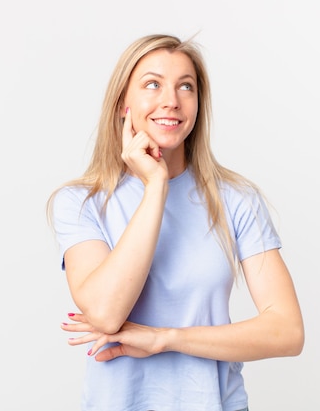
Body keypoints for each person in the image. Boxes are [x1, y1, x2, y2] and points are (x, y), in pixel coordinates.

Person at [47, 33, 304, 411]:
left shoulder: (236, 200)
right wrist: (155, 187)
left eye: (186, 87)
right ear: (123, 104)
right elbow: (105, 312)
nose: (172, 100)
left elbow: (287, 331)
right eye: (153, 84)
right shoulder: (81, 203)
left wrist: (165, 338)